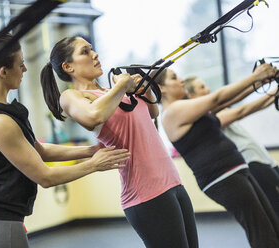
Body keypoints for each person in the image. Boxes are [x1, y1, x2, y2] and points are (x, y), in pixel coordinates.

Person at [0, 31, 131, 248]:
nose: (25, 69)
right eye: (20, 65)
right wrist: (94, 165)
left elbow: (38, 150)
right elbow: (45, 177)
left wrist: (90, 151)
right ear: (3, 72)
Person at [40, 36, 198, 248]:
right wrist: (122, 85)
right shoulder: (73, 96)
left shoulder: (110, 92)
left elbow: (152, 112)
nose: (95, 54)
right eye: (85, 52)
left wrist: (144, 87)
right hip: (145, 193)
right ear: (68, 66)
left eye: (92, 49)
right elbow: (93, 116)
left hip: (172, 182)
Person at [155, 66, 279, 248]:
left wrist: (261, 82)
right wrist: (255, 76)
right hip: (222, 178)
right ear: (161, 88)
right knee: (262, 232)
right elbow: (218, 97)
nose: (181, 80)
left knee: (272, 225)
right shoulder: (172, 112)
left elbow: (228, 100)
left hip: (235, 171)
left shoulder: (188, 109)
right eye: (174, 78)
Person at [184, 76, 279, 216]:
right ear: (191, 95)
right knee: (274, 206)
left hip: (262, 157)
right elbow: (244, 110)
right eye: (202, 87)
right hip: (253, 161)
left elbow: (247, 100)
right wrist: (267, 85)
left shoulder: (217, 110)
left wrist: (270, 88)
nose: (208, 89)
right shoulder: (208, 118)